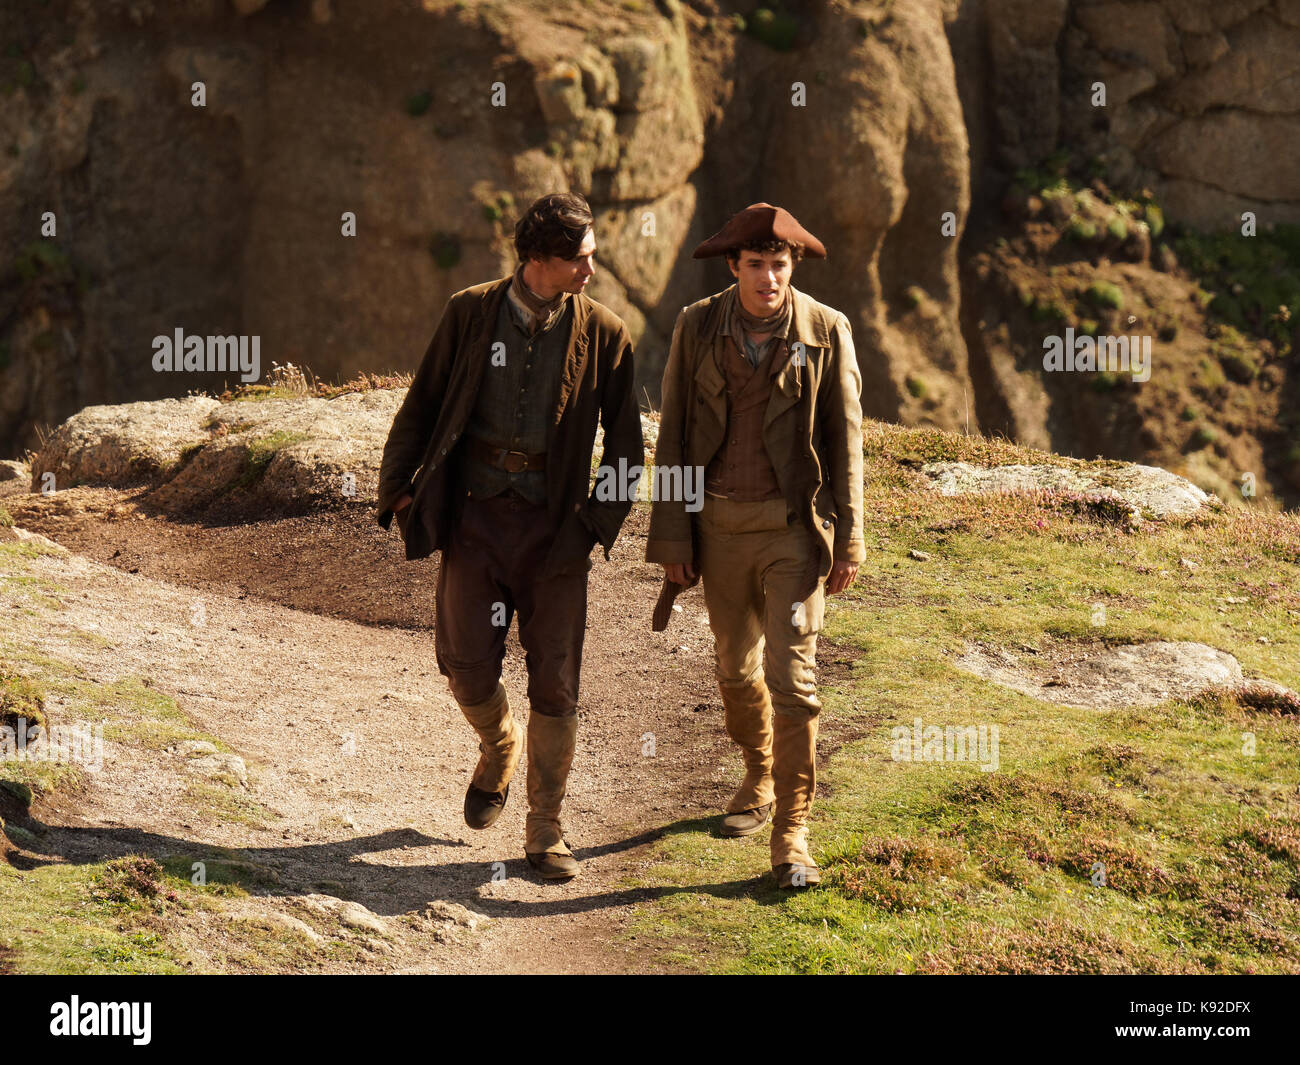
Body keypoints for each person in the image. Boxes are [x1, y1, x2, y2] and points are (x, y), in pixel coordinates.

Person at [377, 192, 643, 880]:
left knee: (556, 681)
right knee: (465, 668)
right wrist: (399, 486)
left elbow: (626, 449)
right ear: (539, 259)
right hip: (474, 521)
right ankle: (499, 748)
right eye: (580, 257)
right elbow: (423, 401)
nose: (592, 267)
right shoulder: (470, 312)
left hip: (557, 534)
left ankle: (545, 828)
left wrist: (594, 524)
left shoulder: (608, 334)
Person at [646, 202, 864, 889]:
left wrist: (851, 534)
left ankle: (792, 833)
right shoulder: (696, 325)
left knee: (792, 680)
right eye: (755, 265)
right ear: (734, 266)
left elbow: (845, 441)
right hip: (718, 527)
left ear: (792, 266)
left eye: (779, 265)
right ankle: (758, 770)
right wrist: (675, 533)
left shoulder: (827, 332)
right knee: (736, 671)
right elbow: (675, 432)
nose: (768, 278)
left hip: (793, 533)